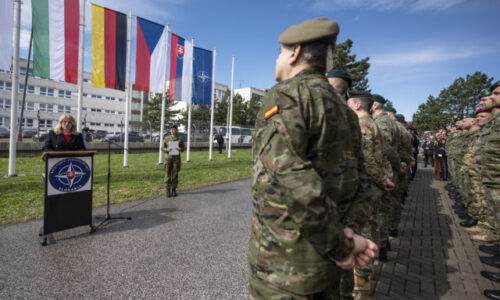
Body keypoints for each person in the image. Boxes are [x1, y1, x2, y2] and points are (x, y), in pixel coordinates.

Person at [247, 17, 377, 299]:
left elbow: (289, 176)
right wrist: (347, 234)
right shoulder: (345, 111)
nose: (278, 58)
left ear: (294, 52)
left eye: (280, 51)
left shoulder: (286, 95)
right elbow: (364, 181)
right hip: (325, 269)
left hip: (284, 272)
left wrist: (341, 246)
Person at [346, 92, 395, 294]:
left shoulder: (362, 124)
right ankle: (369, 269)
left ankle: (362, 278)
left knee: (362, 230)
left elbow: (368, 160)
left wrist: (381, 179)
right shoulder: (373, 124)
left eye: (349, 103)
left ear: (357, 105)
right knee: (372, 226)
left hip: (366, 186)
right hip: (373, 185)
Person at [163, 124, 185, 197]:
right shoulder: (166, 138)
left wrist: (180, 149)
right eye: (171, 129)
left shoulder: (179, 139)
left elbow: (184, 148)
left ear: (176, 130)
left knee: (175, 175)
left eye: (174, 129)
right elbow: (162, 148)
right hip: (168, 159)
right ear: (170, 130)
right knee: (167, 174)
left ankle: (174, 190)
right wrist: (166, 149)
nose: (173, 131)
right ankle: (167, 190)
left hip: (176, 160)